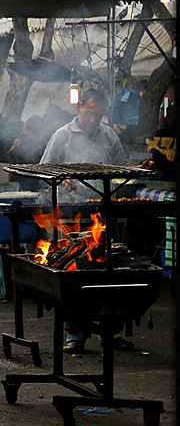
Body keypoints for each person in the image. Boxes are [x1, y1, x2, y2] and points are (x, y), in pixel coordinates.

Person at [39, 88, 132, 354]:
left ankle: (110, 332)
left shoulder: (108, 134)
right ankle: (75, 335)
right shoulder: (62, 136)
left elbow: (121, 167)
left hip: (102, 214)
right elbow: (45, 170)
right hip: (73, 216)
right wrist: (62, 177)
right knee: (76, 276)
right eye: (90, 113)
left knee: (108, 274)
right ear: (79, 107)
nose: (93, 120)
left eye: (98, 115)